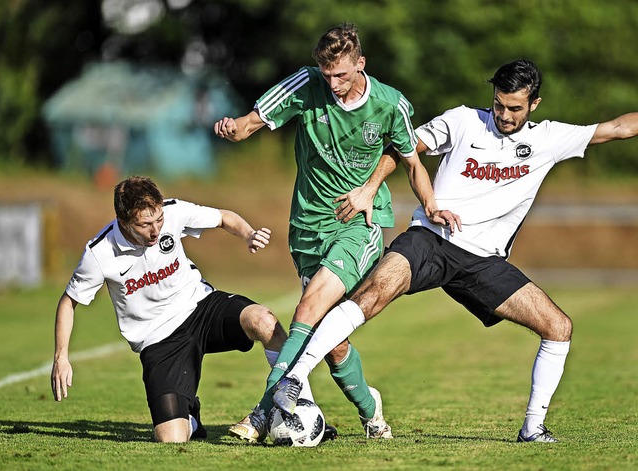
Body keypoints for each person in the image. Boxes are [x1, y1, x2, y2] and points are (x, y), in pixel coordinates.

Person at [274, 58, 638, 442]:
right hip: (431, 239)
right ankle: (294, 379)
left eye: (515, 107)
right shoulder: (463, 120)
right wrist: (368, 188)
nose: (505, 114)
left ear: (535, 104)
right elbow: (404, 146)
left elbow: (617, 128)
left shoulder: (549, 138)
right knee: (372, 295)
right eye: (499, 104)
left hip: (483, 261)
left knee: (558, 327)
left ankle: (533, 428)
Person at [214, 23, 453, 442]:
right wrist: (233, 128)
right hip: (306, 226)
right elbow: (251, 122)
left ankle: (261, 411)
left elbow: (411, 161)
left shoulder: (388, 103)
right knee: (333, 343)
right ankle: (371, 411)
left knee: (308, 307)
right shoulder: (306, 85)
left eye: (341, 74)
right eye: (327, 75)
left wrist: (428, 203)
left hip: (358, 226)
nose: (334, 84)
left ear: (360, 64)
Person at [51, 175, 287, 443]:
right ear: (124, 222)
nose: (155, 231)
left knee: (264, 321)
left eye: (158, 221)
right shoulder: (100, 253)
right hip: (158, 339)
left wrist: (249, 234)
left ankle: (296, 405)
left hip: (200, 307)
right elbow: (69, 302)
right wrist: (61, 357)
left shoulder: (172, 212)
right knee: (171, 439)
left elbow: (223, 217)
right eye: (145, 224)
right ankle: (191, 418)